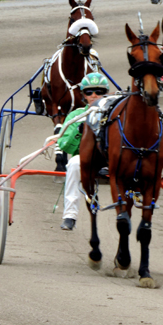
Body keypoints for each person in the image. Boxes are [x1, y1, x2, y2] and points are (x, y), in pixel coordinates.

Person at [58, 72, 110, 231]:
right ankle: (70, 215)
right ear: (83, 95)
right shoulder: (75, 115)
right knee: (73, 163)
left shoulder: (114, 113)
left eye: (99, 91)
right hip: (85, 161)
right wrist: (79, 131)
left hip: (112, 160)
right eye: (89, 92)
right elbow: (64, 145)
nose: (94, 95)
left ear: (105, 94)